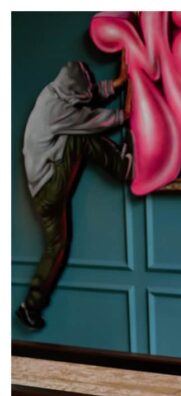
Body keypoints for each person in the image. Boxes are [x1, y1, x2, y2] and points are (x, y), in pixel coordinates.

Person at [18, 60, 133, 330]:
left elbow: (84, 95)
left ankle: (29, 307)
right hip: (50, 186)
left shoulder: (53, 92)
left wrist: (117, 82)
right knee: (79, 137)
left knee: (56, 246)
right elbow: (95, 119)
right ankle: (124, 167)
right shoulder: (58, 112)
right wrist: (126, 111)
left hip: (41, 191)